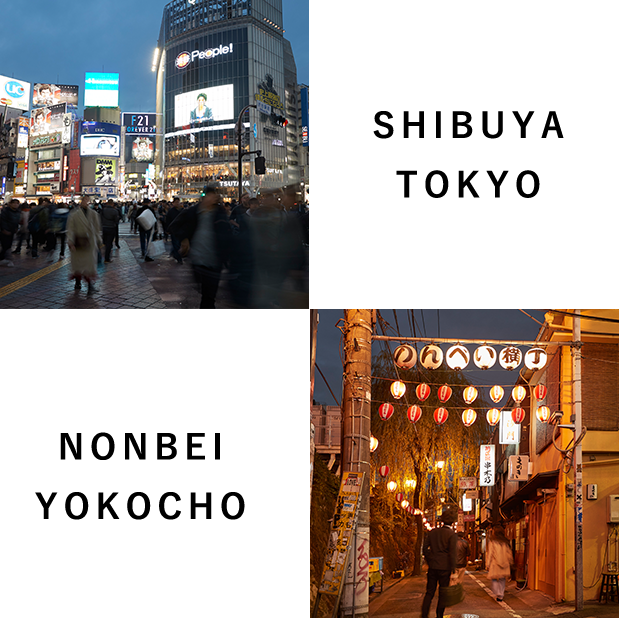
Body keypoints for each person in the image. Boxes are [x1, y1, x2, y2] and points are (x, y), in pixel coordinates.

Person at [168, 186, 232, 309]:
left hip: (215, 260)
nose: (215, 198)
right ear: (205, 196)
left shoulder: (219, 212)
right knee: (205, 293)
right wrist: (184, 239)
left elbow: (226, 234)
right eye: (212, 195)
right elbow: (174, 226)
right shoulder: (193, 211)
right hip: (199, 259)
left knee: (209, 296)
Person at [421, 506, 458, 618]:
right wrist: (453, 569)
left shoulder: (433, 532)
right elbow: (452, 553)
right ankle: (439, 616)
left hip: (433, 567)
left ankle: (424, 615)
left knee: (429, 592)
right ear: (452, 521)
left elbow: (425, 548)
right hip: (445, 568)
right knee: (442, 593)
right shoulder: (452, 534)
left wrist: (430, 559)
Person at [66, 196, 103, 294]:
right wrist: (70, 241)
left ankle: (90, 286)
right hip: (78, 242)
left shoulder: (94, 214)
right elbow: (70, 228)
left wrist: (99, 240)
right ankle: (78, 282)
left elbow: (97, 228)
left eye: (87, 200)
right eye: (84, 200)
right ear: (81, 201)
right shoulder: (74, 214)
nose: (86, 202)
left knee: (89, 265)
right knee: (78, 265)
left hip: (90, 243)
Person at [487, 525, 514, 602]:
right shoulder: (506, 541)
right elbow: (509, 553)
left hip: (495, 563)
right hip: (505, 563)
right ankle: (501, 595)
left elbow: (490, 553)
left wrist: (488, 564)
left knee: (494, 579)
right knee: (502, 579)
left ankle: (497, 592)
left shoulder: (492, 542)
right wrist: (511, 561)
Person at [0, 199, 22, 267]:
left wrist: (16, 228)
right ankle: (5, 259)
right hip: (4, 231)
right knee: (5, 246)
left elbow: (17, 221)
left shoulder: (18, 212)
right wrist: (4, 229)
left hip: (12, 231)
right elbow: (2, 221)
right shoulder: (5, 211)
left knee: (8, 246)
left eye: (17, 203)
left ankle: (4, 259)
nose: (15, 205)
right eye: (14, 203)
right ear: (10, 204)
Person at [100, 199, 120, 263]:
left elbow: (100, 219)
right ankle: (107, 258)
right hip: (111, 228)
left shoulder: (103, 210)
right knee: (109, 243)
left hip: (104, 227)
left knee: (105, 242)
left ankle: (103, 256)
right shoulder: (114, 211)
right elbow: (116, 220)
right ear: (112, 204)